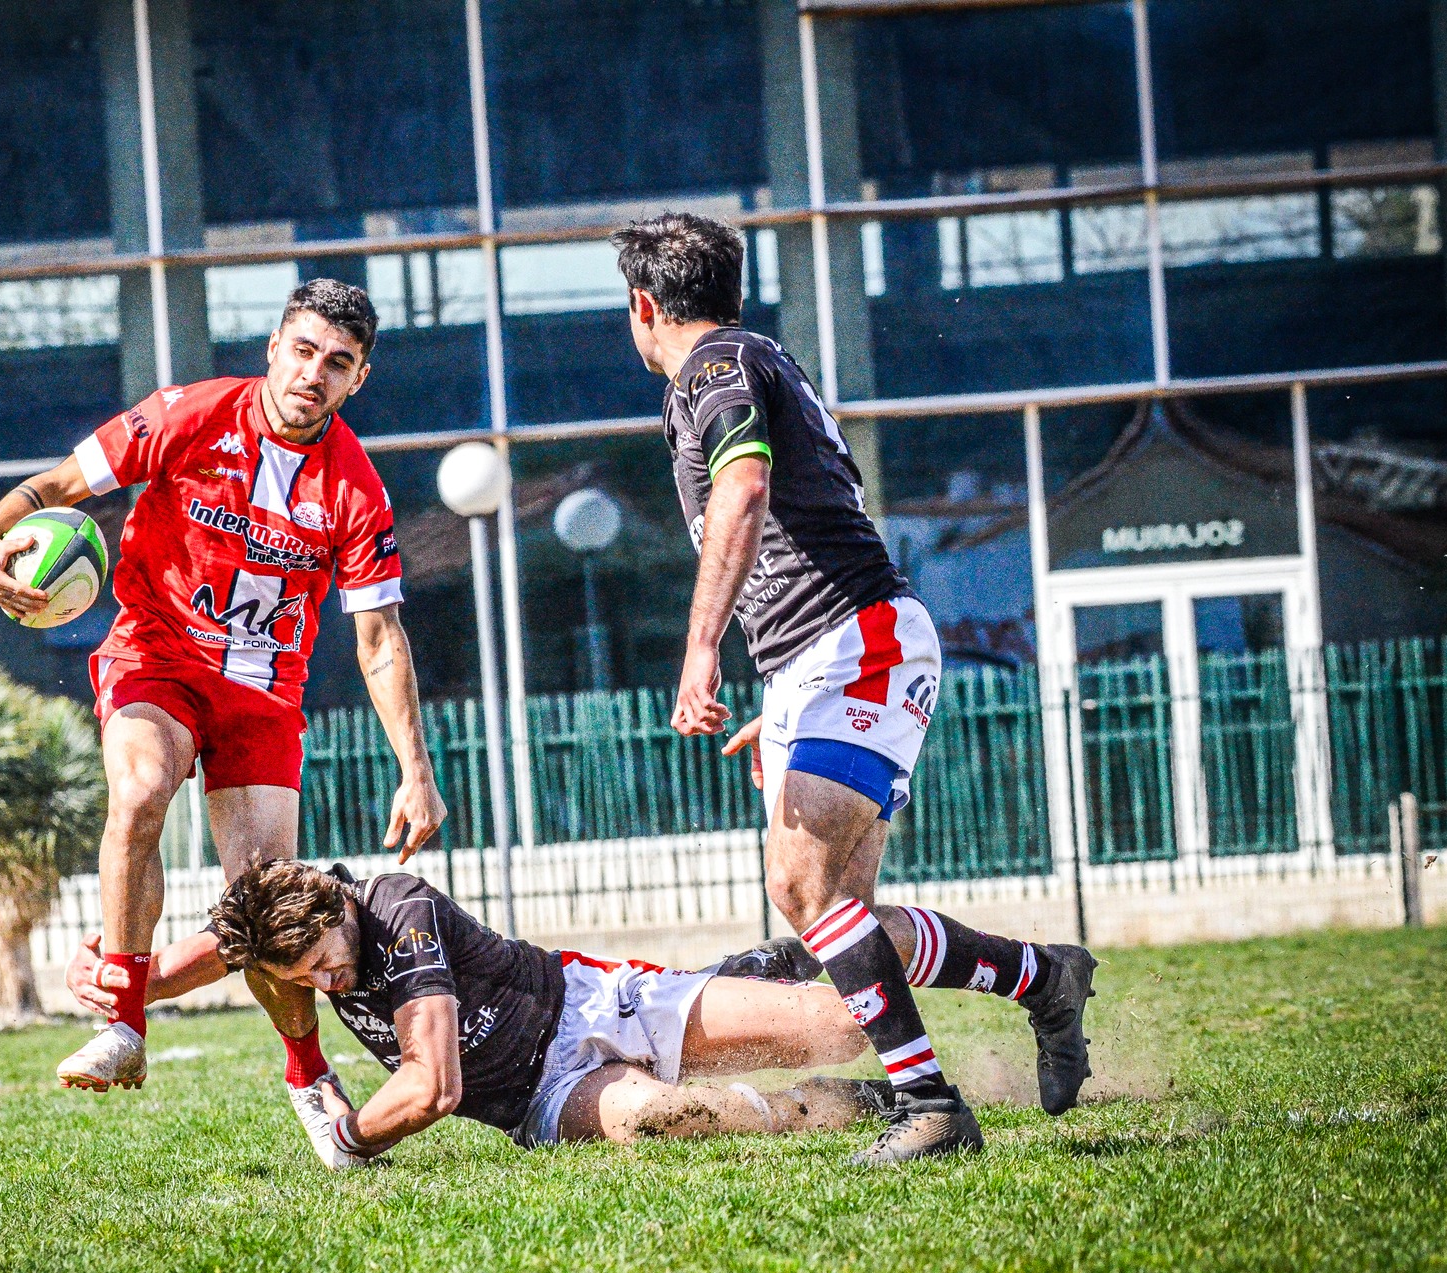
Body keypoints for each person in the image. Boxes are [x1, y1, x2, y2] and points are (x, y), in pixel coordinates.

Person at [610, 213, 1097, 1164]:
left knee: (798, 886)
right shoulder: (750, 365)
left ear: (643, 304)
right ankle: (1044, 978)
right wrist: (787, 696)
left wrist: (702, 649)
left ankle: (932, 1106)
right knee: (842, 925)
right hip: (828, 654)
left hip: (854, 644)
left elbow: (746, 492)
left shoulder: (715, 367)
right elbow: (820, 510)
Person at [0, 280, 447, 1140]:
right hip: (157, 652)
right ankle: (123, 1024)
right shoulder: (187, 415)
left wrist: (416, 770)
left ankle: (307, 1073)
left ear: (358, 380)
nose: (314, 374)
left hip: (264, 693)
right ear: (274, 348)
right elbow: (57, 485)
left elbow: (379, 639)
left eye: (338, 363)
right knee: (141, 790)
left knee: (267, 905)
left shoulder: (356, 490)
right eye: (304, 351)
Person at [197, 859, 895, 1161]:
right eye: (302, 978)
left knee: (841, 1027)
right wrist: (134, 982)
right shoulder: (289, 946)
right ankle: (870, 1102)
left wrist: (346, 1137)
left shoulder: (397, 908)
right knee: (662, 1118)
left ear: (337, 909)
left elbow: (432, 1087)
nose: (323, 984)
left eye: (324, 961)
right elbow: (172, 965)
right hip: (543, 1099)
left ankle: (962, 960)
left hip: (589, 1002)